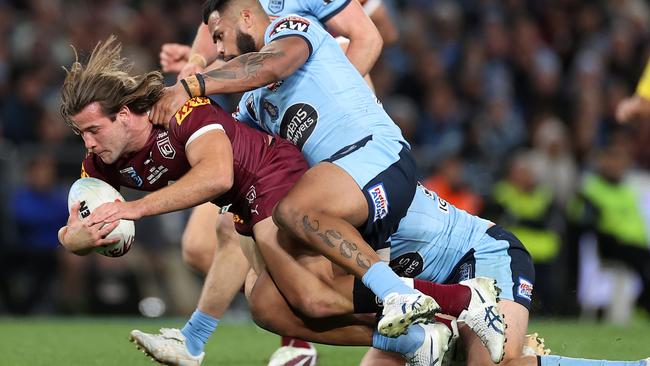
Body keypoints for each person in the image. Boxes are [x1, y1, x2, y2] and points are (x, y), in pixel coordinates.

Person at [56, 36, 502, 366]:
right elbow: (73, 226)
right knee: (281, 307)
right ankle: (423, 336)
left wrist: (132, 209)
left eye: (94, 130)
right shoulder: (101, 163)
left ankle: (463, 302)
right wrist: (78, 236)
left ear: (125, 114)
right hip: (244, 209)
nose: (89, 144)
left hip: (272, 176)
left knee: (310, 293)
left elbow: (216, 176)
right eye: (82, 135)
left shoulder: (182, 113)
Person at [148, 1, 491, 357]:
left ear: (247, 17)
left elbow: (276, 62)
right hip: (340, 201)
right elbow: (231, 153)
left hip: (377, 158)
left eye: (220, 36)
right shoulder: (252, 106)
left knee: (292, 210)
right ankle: (425, 337)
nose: (218, 50)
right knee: (268, 299)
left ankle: (401, 295)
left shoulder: (292, 28)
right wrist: (145, 149)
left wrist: (192, 84)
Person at [160, 1, 397, 363]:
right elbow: (217, 37)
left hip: (323, 122)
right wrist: (195, 62)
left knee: (248, 229)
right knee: (201, 247)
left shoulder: (298, 16)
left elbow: (372, 33)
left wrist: (327, 97)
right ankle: (395, 315)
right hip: (270, 111)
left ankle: (199, 342)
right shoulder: (238, 14)